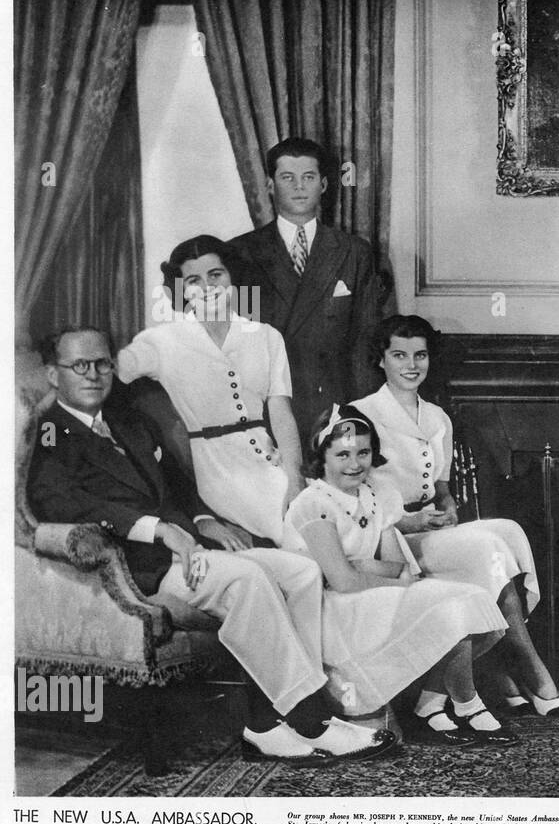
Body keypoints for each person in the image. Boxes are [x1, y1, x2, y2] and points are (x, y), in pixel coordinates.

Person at [28, 326, 395, 765]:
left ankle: (270, 723)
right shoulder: (50, 431)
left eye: (103, 363)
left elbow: (179, 488)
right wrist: (158, 529)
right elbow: (61, 501)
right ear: (53, 374)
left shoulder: (127, 421)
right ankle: (308, 719)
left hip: (191, 550)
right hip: (140, 566)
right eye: (79, 365)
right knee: (248, 579)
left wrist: (205, 520)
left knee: (301, 570)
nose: (93, 374)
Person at [350, 315, 559, 717]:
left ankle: (496, 672)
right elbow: (355, 500)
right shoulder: (360, 414)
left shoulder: (438, 418)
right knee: (487, 548)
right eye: (399, 355)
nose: (411, 365)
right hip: (394, 539)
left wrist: (449, 506)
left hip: (432, 530)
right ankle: (529, 670)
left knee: (509, 532)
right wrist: (410, 522)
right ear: (380, 360)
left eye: (420, 355)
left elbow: (442, 487)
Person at [282, 405, 520, 746]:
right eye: (343, 454)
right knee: (440, 600)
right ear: (322, 455)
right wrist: (379, 575)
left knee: (467, 596)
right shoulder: (312, 503)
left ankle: (449, 702)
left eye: (363, 452)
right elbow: (343, 581)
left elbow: (396, 565)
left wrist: (369, 569)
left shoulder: (372, 496)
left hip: (367, 592)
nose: (355, 464)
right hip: (327, 610)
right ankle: (467, 705)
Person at [117, 235, 300, 545]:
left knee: (329, 519)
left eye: (216, 275)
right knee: (305, 535)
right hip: (217, 470)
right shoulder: (163, 341)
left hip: (273, 463)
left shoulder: (266, 336)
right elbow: (108, 371)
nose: (207, 287)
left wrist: (295, 478)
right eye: (193, 280)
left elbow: (281, 414)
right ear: (182, 289)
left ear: (232, 277)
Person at [228, 137, 383, 432]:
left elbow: (366, 344)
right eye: (288, 177)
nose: (299, 186)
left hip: (334, 410)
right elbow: (239, 341)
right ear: (270, 185)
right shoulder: (241, 254)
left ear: (323, 185)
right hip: (267, 408)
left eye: (308, 177)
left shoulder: (354, 252)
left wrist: (361, 416)